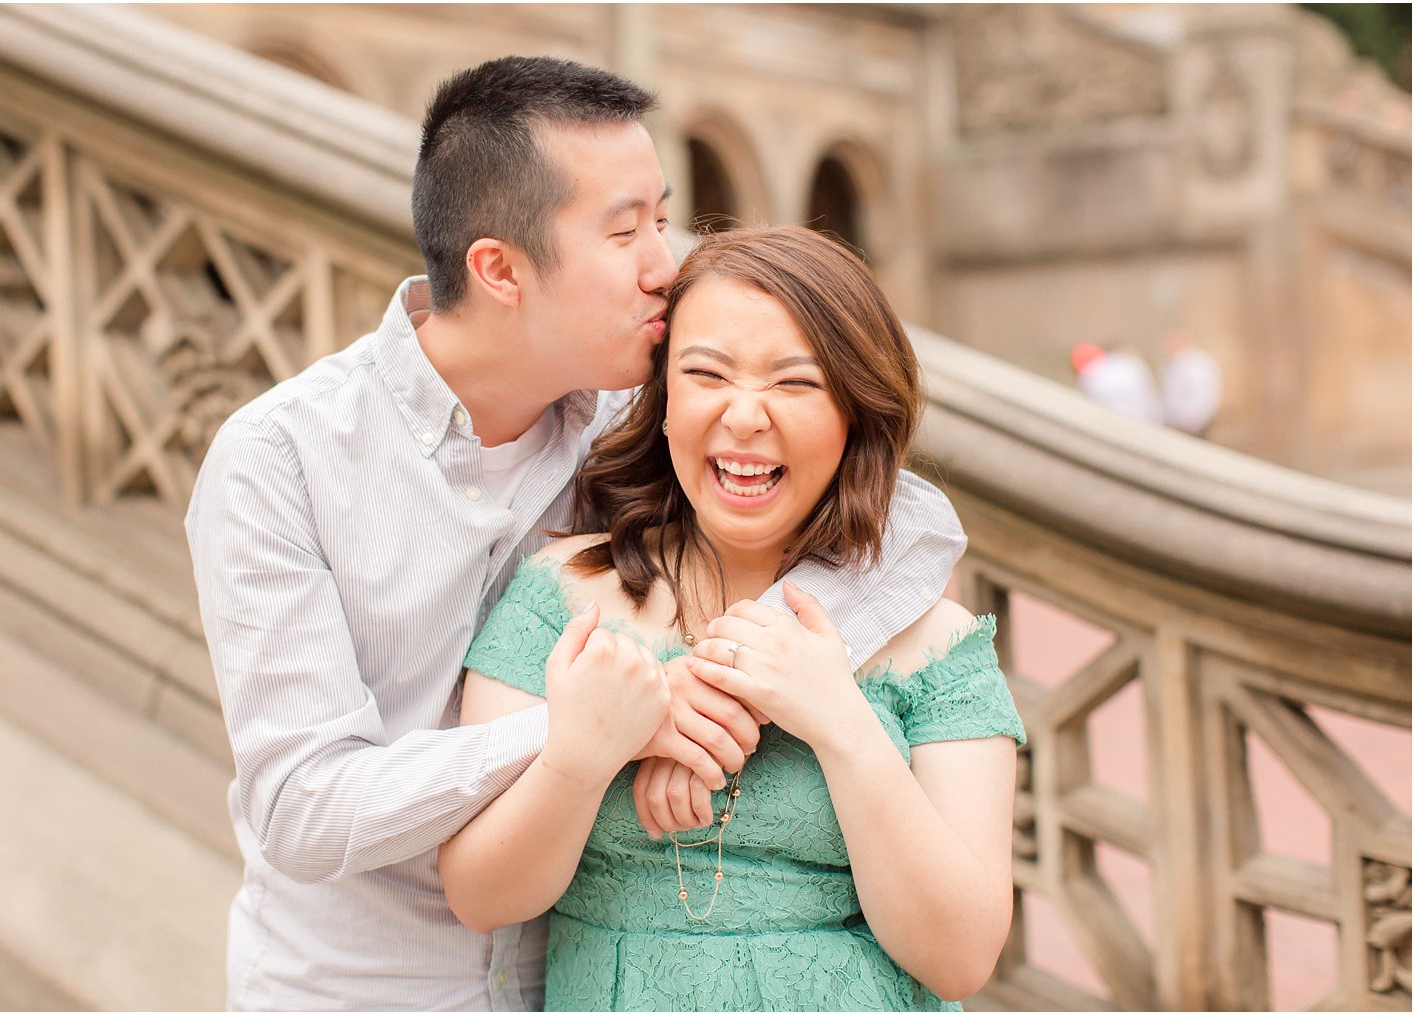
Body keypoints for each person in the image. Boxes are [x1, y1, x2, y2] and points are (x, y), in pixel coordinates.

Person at [185, 58, 968, 1011]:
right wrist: (585, 732)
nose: (665, 264)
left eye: (662, 216)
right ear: (500, 269)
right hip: (357, 991)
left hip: (573, 983)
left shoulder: (628, 418)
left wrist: (725, 690)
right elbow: (298, 804)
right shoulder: (279, 460)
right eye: (624, 229)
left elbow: (915, 520)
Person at [441, 227, 1026, 1011]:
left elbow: (961, 959)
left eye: (795, 383)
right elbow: (479, 895)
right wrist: (586, 752)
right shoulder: (563, 597)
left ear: (857, 410)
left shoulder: (936, 641)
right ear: (665, 401)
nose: (745, 416)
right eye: (706, 373)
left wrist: (839, 721)